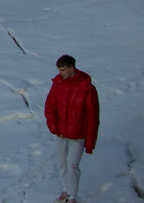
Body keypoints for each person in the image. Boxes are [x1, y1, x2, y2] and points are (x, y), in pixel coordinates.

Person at [45, 54, 99, 203]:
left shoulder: (87, 88)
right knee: (62, 164)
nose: (60, 73)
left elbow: (93, 118)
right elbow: (50, 107)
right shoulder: (57, 84)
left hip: (78, 135)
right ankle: (65, 191)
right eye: (59, 70)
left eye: (63, 70)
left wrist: (90, 143)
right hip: (61, 134)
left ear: (72, 68)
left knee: (73, 166)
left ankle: (73, 196)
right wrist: (55, 128)